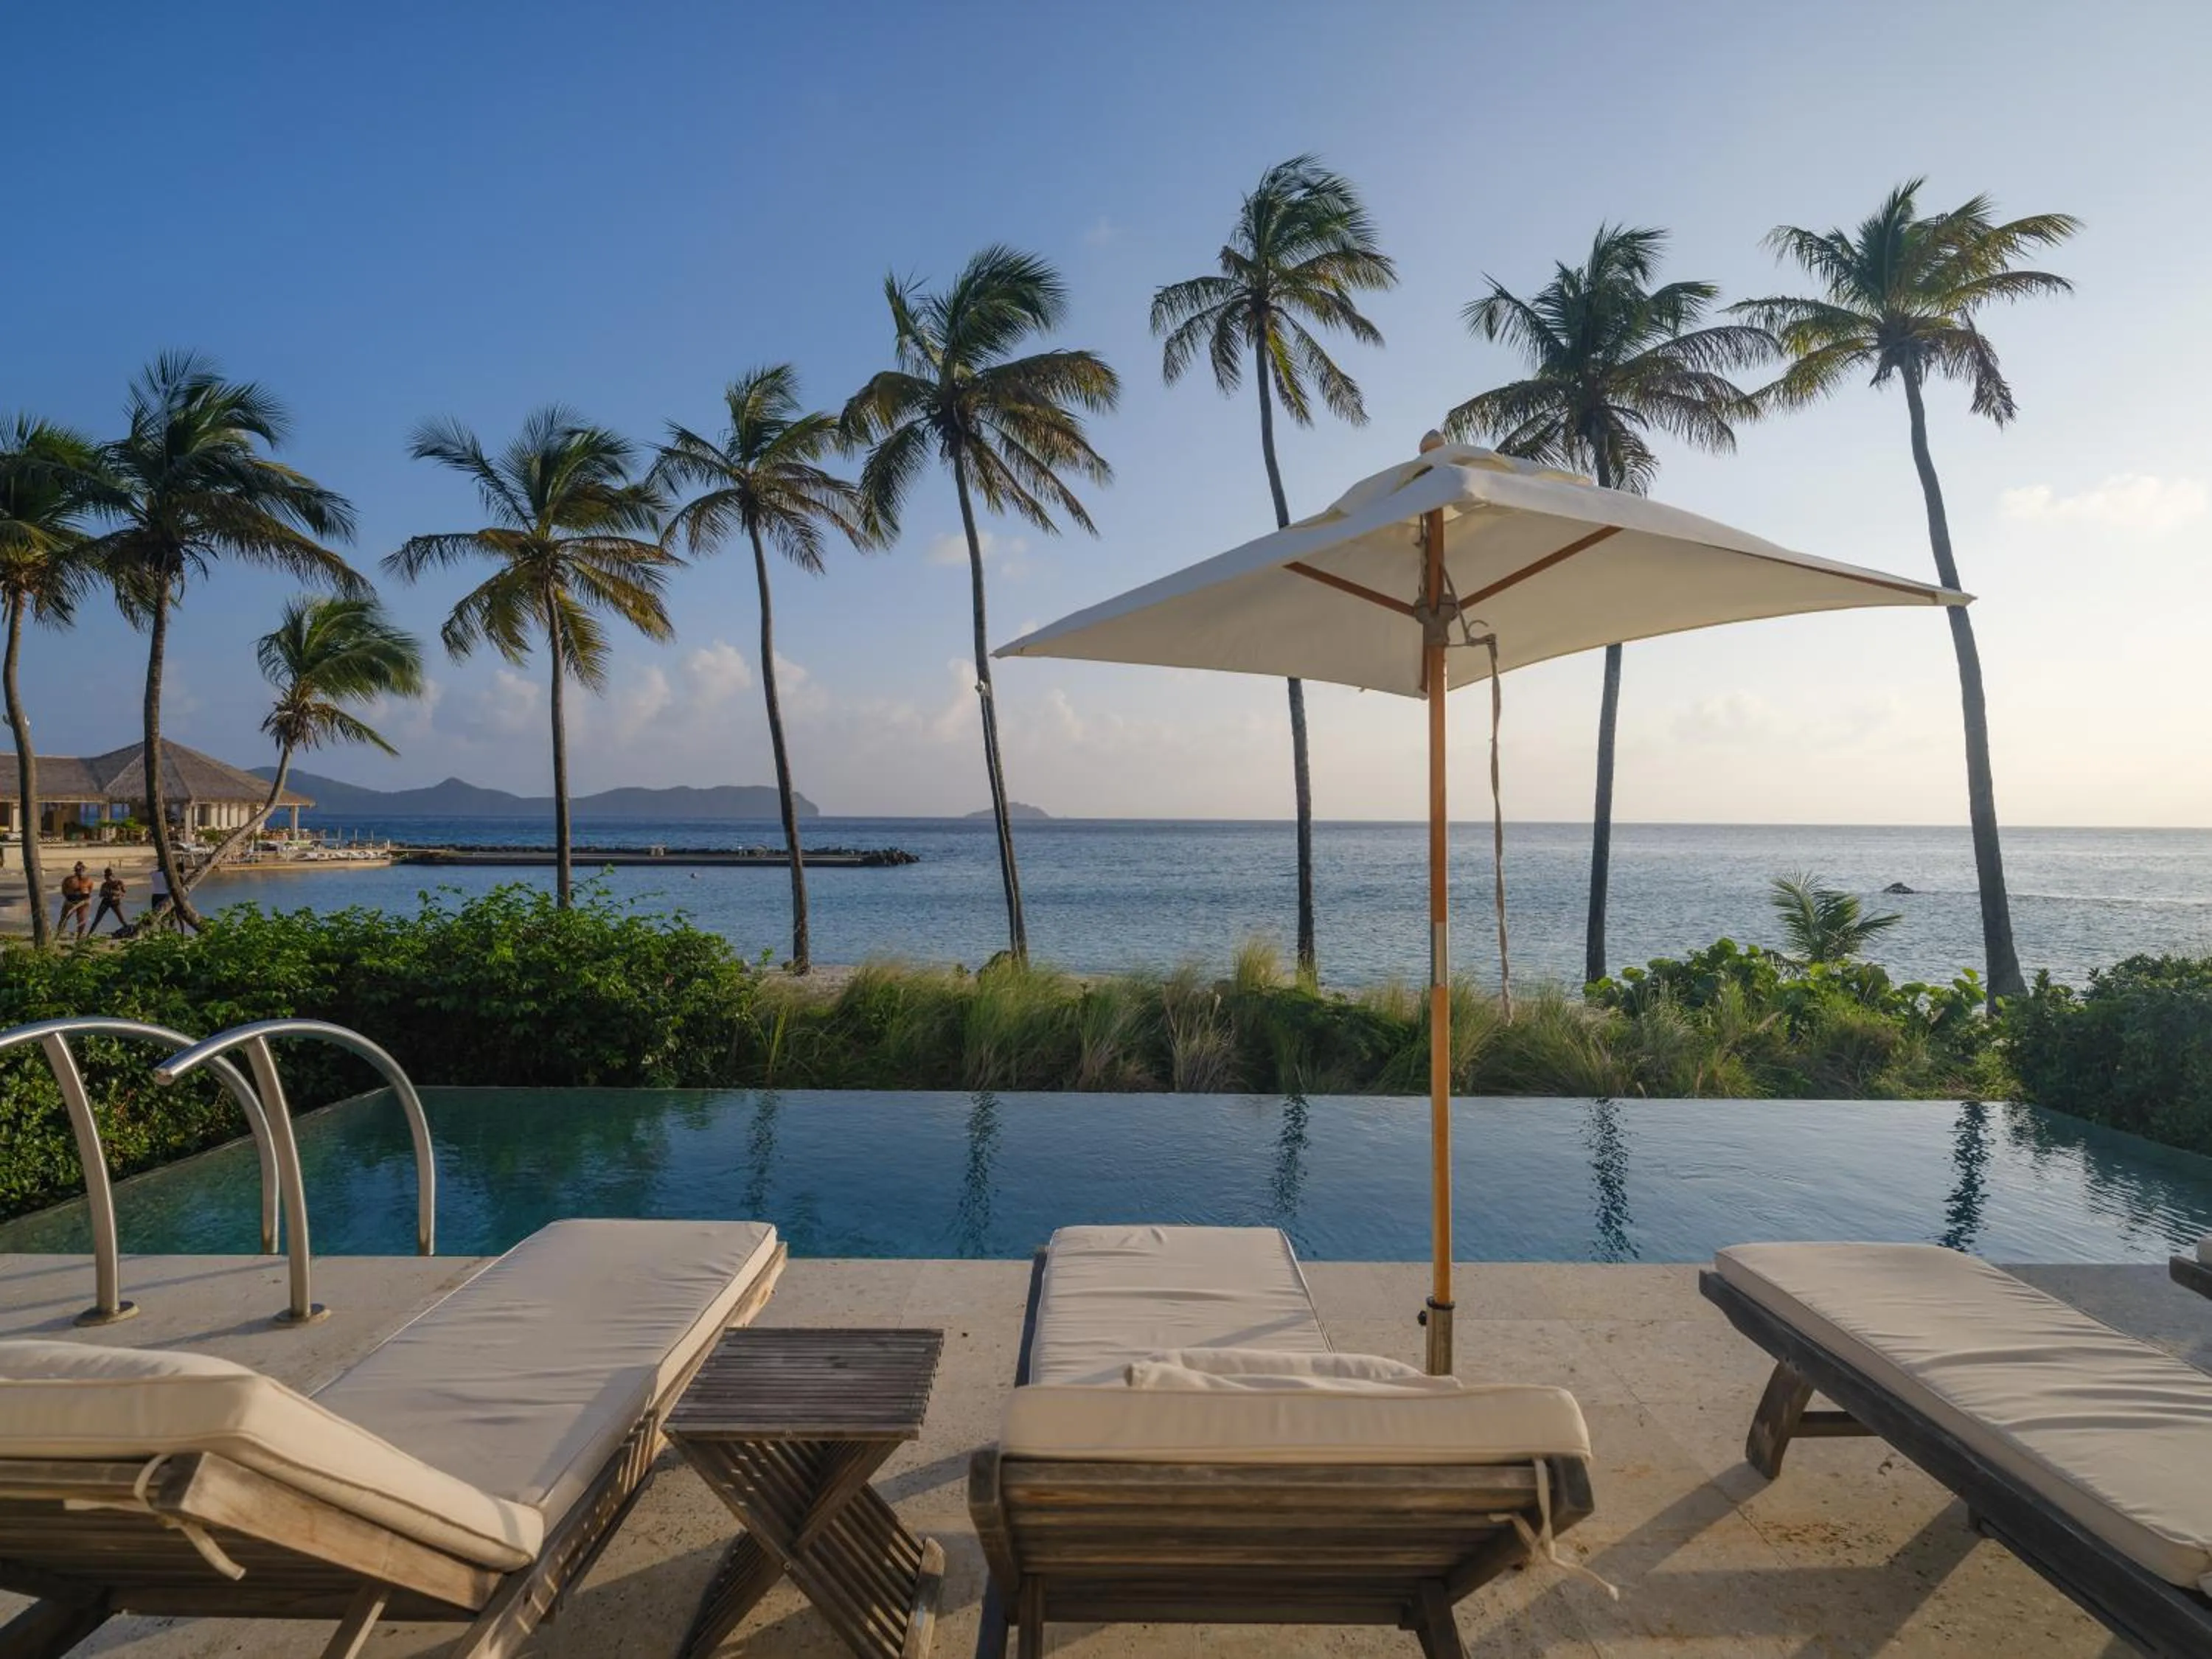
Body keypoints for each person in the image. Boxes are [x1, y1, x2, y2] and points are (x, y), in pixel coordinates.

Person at [57, 862, 93, 941]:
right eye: (78, 870)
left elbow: (90, 890)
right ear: (75, 871)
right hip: (71, 901)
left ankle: (79, 937)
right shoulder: (69, 879)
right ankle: (58, 934)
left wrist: (85, 898)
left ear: (84, 870)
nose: (79, 871)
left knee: (82, 919)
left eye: (81, 870)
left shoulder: (88, 880)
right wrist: (69, 898)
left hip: (84, 902)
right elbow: (64, 890)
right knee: (64, 918)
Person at [91, 866, 128, 935]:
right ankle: (89, 934)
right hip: (106, 902)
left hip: (115, 902)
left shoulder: (119, 882)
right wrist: (106, 893)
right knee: (97, 919)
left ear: (112, 875)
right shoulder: (104, 884)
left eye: (109, 876)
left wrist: (116, 895)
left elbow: (124, 893)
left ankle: (128, 930)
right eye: (106, 877)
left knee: (121, 918)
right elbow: (101, 895)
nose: (108, 878)